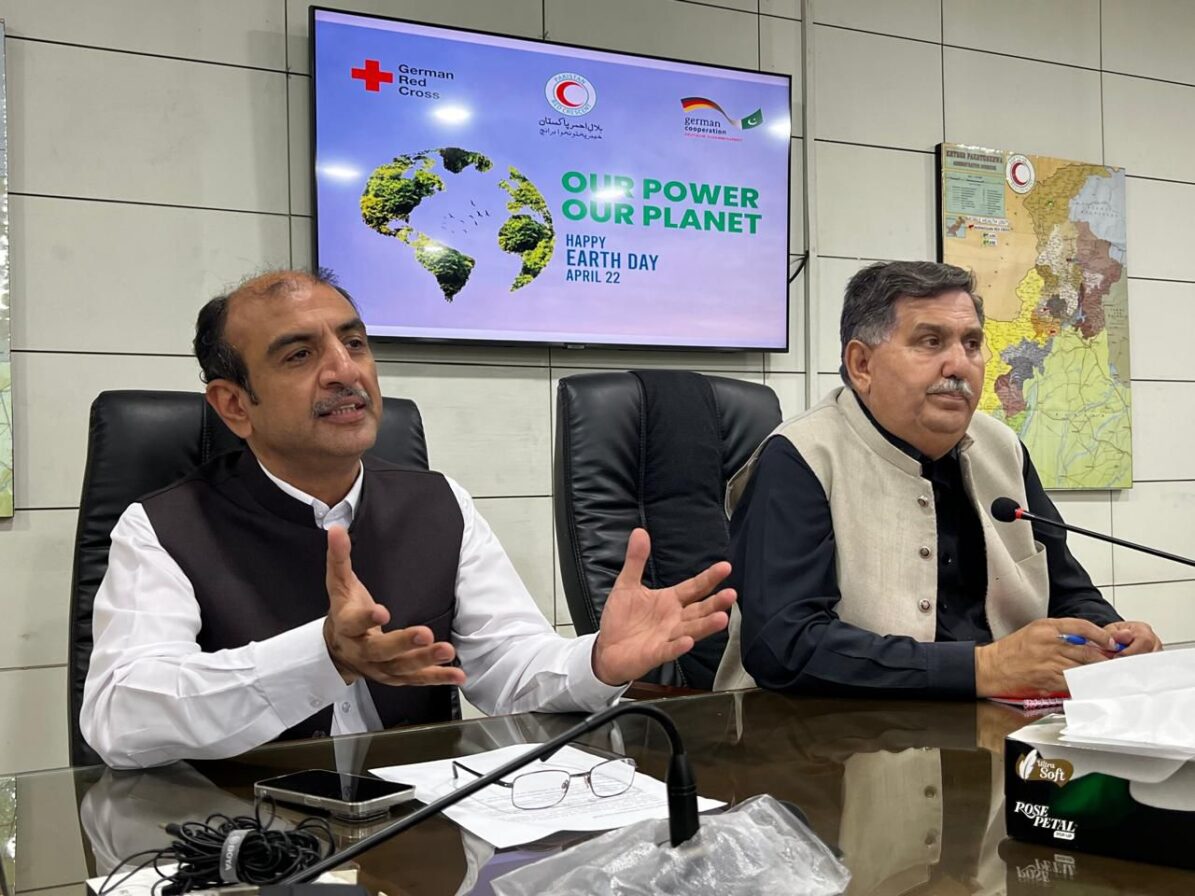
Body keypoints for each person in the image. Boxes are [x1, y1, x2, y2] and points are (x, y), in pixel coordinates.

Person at [81, 270, 735, 768]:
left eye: (354, 343)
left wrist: (597, 660)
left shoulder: (439, 502)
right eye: (299, 355)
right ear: (233, 406)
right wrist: (322, 656)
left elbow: (509, 665)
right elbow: (120, 717)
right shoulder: (162, 526)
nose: (344, 370)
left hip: (418, 833)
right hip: (245, 840)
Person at [714, 261, 1159, 698]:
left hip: (996, 720)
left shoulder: (1002, 448)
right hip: (824, 731)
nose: (959, 365)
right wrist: (983, 667)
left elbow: (1068, 591)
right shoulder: (801, 456)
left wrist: (1110, 634)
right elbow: (784, 645)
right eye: (931, 341)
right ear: (862, 364)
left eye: (971, 344)